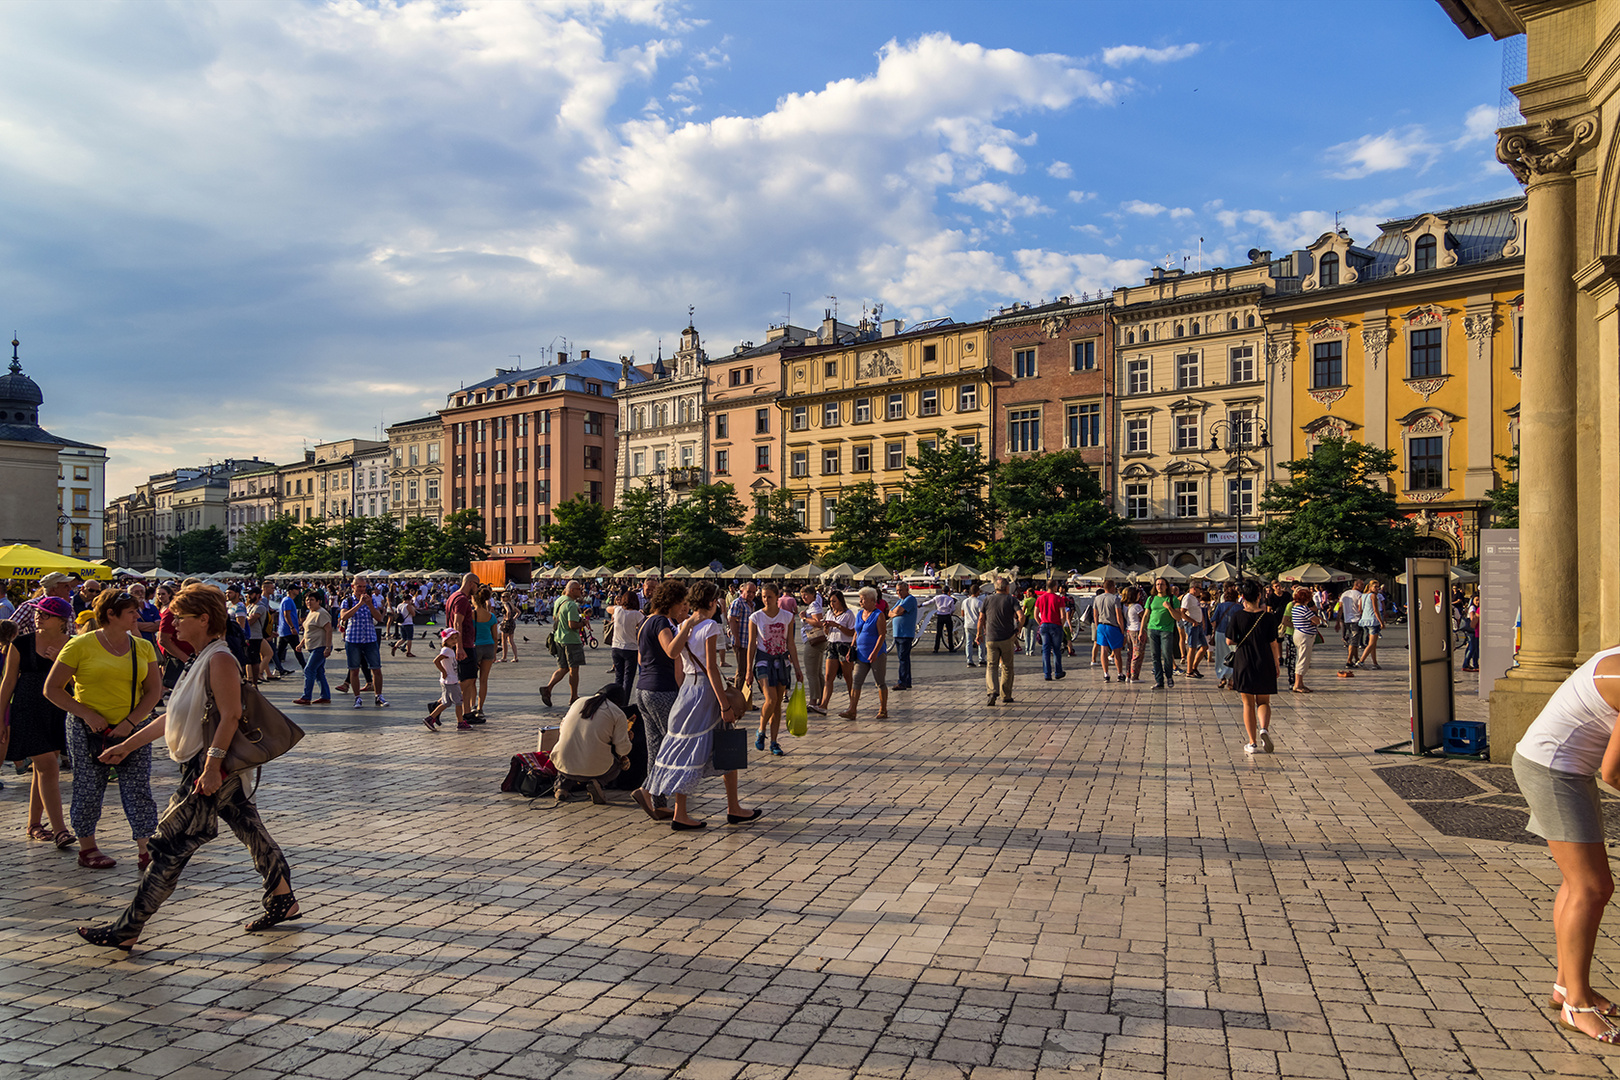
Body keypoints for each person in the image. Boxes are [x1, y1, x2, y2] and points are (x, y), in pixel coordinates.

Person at [75, 582, 300, 950]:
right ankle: (282, 897)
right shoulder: (199, 658)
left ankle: (128, 928)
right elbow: (174, 717)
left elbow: (230, 716)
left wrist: (211, 768)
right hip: (210, 764)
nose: (172, 623)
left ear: (204, 619)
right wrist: (127, 746)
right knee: (248, 826)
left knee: (169, 844)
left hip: (212, 765)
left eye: (180, 617)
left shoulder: (220, 659)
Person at [1510, 646, 1620, 1042]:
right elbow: (1614, 771)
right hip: (1555, 771)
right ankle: (1577, 1005)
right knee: (1593, 888)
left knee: (1580, 884)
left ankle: (1566, 986)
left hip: (1563, 767)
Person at [43, 589, 163, 871]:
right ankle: (88, 847)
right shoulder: (79, 645)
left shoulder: (142, 646)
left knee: (138, 789)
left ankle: (146, 848)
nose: (137, 616)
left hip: (132, 729)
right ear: (111, 614)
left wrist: (131, 722)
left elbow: (154, 691)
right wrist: (86, 714)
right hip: (88, 731)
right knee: (88, 788)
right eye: (132, 611)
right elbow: (52, 689)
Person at [633, 581, 760, 831]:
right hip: (705, 691)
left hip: (688, 690)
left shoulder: (682, 626)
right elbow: (712, 668)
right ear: (713, 603)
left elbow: (678, 665)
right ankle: (729, 808)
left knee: (686, 747)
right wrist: (724, 704)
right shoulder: (711, 626)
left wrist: (684, 696)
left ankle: (690, 809)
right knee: (724, 746)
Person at [1, 597, 74, 848]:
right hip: (27, 709)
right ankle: (60, 829)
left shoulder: (72, 645)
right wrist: (1, 718)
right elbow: (8, 682)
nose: (38, 617)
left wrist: (59, 663)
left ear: (62, 621)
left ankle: (33, 824)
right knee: (49, 767)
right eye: (38, 613)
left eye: (45, 614)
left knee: (43, 771)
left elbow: (80, 682)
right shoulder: (21, 643)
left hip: (58, 710)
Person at [634, 580, 689, 820]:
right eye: (682, 603)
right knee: (674, 744)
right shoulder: (661, 622)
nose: (683, 608)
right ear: (672, 603)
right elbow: (672, 651)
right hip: (662, 690)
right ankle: (647, 790)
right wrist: (687, 627)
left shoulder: (646, 622)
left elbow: (640, 658)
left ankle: (658, 801)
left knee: (656, 745)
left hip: (644, 688)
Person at [553, 684, 634, 804]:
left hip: (562, 763)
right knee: (619, 764)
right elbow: (623, 750)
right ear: (619, 701)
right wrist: (628, 738)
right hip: (596, 770)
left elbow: (562, 727)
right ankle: (596, 783)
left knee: (569, 750)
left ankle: (561, 787)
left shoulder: (579, 702)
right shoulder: (617, 713)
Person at [1226, 580, 1281, 754]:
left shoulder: (1237, 616)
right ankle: (1264, 728)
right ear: (1259, 597)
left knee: (1248, 703)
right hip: (1264, 660)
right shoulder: (1269, 617)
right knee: (1263, 701)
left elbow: (1229, 640)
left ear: (1243, 598)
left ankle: (1252, 742)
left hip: (1244, 661)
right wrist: (1277, 662)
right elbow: (1273, 643)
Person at [745, 583, 802, 754]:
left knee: (777, 704)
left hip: (781, 660)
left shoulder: (787, 617)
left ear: (777, 597)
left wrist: (798, 668)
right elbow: (751, 645)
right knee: (771, 698)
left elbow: (790, 643)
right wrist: (748, 669)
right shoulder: (755, 617)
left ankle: (775, 741)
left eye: (769, 596)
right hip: (764, 660)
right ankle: (761, 730)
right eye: (763, 596)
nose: (766, 600)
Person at [338, 580, 387, 709]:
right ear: (353, 587)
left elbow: (379, 618)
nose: (361, 589)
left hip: (370, 639)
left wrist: (370, 604)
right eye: (359, 586)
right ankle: (357, 697)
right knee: (354, 670)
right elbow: (344, 616)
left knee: (376, 668)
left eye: (364, 587)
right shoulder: (347, 601)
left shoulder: (371, 601)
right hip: (353, 640)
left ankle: (379, 696)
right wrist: (359, 604)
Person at [843, 586, 889, 721]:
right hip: (861, 654)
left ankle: (883, 709)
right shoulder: (859, 614)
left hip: (877, 654)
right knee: (856, 680)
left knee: (880, 682)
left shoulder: (878, 615)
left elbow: (882, 635)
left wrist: (875, 652)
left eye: (862, 599)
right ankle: (852, 709)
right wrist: (851, 648)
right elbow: (857, 632)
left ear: (871, 600)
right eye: (860, 599)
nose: (860, 602)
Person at [542, 580, 587, 709]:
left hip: (558, 638)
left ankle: (548, 689)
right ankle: (574, 697)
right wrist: (583, 623)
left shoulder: (559, 600)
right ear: (572, 590)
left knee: (563, 668)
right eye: (578, 589)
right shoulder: (571, 605)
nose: (581, 592)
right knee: (574, 669)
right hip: (571, 640)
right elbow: (572, 625)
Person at [978, 576, 1023, 706]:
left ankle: (992, 692)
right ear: (1007, 588)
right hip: (1007, 638)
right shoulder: (1011, 600)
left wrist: (979, 633)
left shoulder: (987, 599)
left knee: (991, 666)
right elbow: (1021, 616)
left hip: (991, 638)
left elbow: (981, 619)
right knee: (1007, 667)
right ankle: (1006, 695)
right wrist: (1018, 628)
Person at [816, 590, 856, 714]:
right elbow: (827, 633)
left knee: (848, 677)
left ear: (840, 601)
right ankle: (823, 705)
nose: (832, 604)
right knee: (828, 676)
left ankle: (852, 705)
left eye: (834, 601)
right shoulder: (829, 613)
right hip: (832, 644)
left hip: (844, 645)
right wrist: (827, 628)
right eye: (830, 601)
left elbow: (852, 632)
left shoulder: (848, 614)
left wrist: (837, 625)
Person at [291, 589, 333, 706]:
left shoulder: (321, 613)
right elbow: (309, 631)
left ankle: (306, 697)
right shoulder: (311, 613)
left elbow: (328, 630)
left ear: (318, 601)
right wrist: (301, 643)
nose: (309, 602)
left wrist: (328, 647)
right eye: (307, 600)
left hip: (320, 646)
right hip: (313, 646)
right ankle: (325, 696)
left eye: (312, 600)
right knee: (319, 672)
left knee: (309, 670)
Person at [446, 572, 479, 717]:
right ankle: (442, 703)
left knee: (468, 678)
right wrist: (459, 646)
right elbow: (457, 622)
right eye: (477, 585)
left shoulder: (453, 596)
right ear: (471, 583)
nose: (477, 589)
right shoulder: (462, 599)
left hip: (460, 643)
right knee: (467, 679)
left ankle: (467, 712)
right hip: (463, 644)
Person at [1144, 578, 1187, 690]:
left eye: (1162, 584)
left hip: (1166, 630)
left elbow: (1178, 617)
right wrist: (1141, 630)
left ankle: (1169, 676)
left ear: (1166, 586)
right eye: (1157, 584)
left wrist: (1169, 607)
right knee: (1155, 656)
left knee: (1167, 655)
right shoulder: (1151, 598)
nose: (1159, 586)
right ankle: (1159, 681)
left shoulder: (1172, 599)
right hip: (1152, 629)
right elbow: (1146, 615)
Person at [424, 628, 467, 730]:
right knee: (458, 702)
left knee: (446, 702)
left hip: (450, 680)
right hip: (450, 680)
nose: (454, 640)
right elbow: (436, 661)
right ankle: (460, 722)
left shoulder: (449, 650)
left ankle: (430, 718)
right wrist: (443, 671)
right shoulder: (447, 650)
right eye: (451, 638)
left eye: (456, 638)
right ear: (445, 640)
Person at [799, 586, 829, 709]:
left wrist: (805, 618)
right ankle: (821, 698)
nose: (803, 597)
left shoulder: (814, 606)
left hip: (813, 641)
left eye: (805, 595)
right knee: (817, 672)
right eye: (802, 595)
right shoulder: (814, 605)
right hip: (815, 641)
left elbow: (818, 622)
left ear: (812, 594)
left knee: (811, 672)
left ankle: (813, 700)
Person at [609, 590, 644, 696]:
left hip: (616, 647)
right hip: (631, 648)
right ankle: (624, 701)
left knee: (618, 676)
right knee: (628, 679)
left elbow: (608, 608)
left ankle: (617, 701)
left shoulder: (617, 610)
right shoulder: (637, 615)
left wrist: (618, 604)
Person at [472, 585, 499, 718]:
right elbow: (495, 636)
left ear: (475, 600)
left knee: (472, 679)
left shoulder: (472, 615)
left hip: (475, 647)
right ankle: (480, 707)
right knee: (484, 680)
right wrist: (494, 652)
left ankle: (472, 705)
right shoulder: (491, 616)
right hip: (489, 647)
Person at [1091, 580, 1125, 683]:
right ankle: (1119, 673)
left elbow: (1095, 615)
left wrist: (1097, 626)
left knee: (1103, 650)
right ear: (1112, 587)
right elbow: (1119, 616)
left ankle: (1106, 673)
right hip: (1112, 626)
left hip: (1101, 625)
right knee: (1116, 651)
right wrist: (1122, 630)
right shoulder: (1115, 599)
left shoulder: (1097, 598)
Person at [1290, 587, 1321, 694]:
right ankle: (1297, 684)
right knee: (1303, 659)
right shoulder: (1303, 609)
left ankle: (1300, 683)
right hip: (1305, 636)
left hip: (1299, 634)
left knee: (1302, 658)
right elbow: (1316, 621)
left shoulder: (1295, 608)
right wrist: (1315, 621)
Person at [1210, 585, 1242, 690]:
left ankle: (1222, 677)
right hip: (1234, 635)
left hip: (1220, 633)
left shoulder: (1220, 606)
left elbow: (1213, 620)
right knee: (1233, 656)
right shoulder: (1239, 607)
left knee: (1221, 656)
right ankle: (1231, 680)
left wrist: (1214, 631)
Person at [1036, 580, 1068, 681]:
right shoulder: (1059, 599)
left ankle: (1047, 674)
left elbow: (1036, 614)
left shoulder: (1040, 598)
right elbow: (1063, 615)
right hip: (1056, 625)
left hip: (1044, 625)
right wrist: (1061, 625)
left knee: (1045, 650)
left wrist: (1041, 623)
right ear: (1055, 587)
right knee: (1056, 650)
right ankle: (1058, 672)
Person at [889, 582, 917, 691]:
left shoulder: (910, 599)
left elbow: (898, 610)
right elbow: (890, 613)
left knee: (903, 658)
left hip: (906, 634)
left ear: (907, 590)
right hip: (898, 633)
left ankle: (902, 682)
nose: (898, 592)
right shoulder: (900, 601)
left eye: (900, 590)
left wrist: (896, 612)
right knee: (903, 658)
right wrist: (896, 613)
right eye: (897, 590)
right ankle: (907, 681)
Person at [275, 584, 306, 673]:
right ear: (291, 590)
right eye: (296, 589)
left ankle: (278, 669)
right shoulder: (288, 600)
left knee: (280, 651)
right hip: (288, 630)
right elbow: (286, 614)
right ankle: (306, 668)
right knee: (297, 649)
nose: (298, 591)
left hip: (285, 630)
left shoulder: (288, 600)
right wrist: (292, 627)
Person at [1337, 579, 1366, 668]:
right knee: (1353, 641)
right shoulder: (1360, 595)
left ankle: (1356, 658)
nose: (1363, 588)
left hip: (1347, 620)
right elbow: (1361, 608)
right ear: (1357, 585)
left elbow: (1340, 608)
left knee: (1354, 639)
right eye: (1362, 585)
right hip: (1356, 619)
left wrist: (1338, 621)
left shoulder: (1344, 594)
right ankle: (1349, 661)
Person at [1360, 581, 1388, 670]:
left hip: (1365, 620)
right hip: (1373, 621)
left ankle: (1375, 663)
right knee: (1371, 643)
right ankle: (1361, 661)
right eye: (1375, 587)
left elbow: (1360, 608)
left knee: (1373, 643)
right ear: (1370, 587)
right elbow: (1376, 610)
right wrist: (1381, 622)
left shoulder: (1363, 596)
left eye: (1378, 587)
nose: (1377, 589)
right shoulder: (1373, 596)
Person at [1182, 584, 1208, 679]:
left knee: (1204, 646)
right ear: (1194, 588)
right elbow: (1182, 612)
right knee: (1192, 648)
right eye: (1199, 589)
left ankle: (1194, 667)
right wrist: (1192, 621)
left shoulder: (1195, 598)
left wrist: (1202, 622)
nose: (1201, 591)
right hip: (1192, 625)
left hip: (1198, 624)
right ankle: (1189, 671)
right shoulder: (1188, 597)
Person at [728, 582, 758, 657]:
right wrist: (736, 638)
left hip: (748, 640)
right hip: (740, 639)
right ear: (742, 591)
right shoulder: (738, 603)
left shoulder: (752, 604)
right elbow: (732, 620)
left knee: (746, 666)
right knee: (742, 666)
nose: (751, 594)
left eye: (753, 592)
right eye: (749, 592)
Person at [1123, 586, 1147, 683]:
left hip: (1129, 630)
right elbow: (1144, 617)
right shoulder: (1137, 607)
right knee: (1138, 654)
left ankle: (1128, 674)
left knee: (1130, 653)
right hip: (1137, 630)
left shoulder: (1125, 606)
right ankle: (1134, 676)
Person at [961, 583, 986, 668]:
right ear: (978, 592)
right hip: (977, 625)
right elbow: (982, 616)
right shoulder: (979, 602)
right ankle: (981, 659)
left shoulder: (965, 601)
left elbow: (962, 613)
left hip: (967, 624)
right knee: (981, 642)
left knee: (968, 643)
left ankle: (969, 660)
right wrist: (984, 627)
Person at [391, 592, 418, 659]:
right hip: (408, 623)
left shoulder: (399, 605)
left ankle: (395, 646)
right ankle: (408, 652)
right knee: (409, 639)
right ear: (409, 599)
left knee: (403, 638)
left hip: (401, 623)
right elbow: (413, 614)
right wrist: (412, 606)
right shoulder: (407, 606)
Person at [931, 585, 957, 653]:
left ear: (942, 591)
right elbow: (953, 609)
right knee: (949, 632)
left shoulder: (937, 597)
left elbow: (930, 602)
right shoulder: (950, 599)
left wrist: (921, 605)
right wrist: (950, 612)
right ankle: (951, 648)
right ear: (948, 591)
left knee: (938, 633)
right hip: (947, 616)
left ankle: (936, 648)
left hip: (940, 616)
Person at [497, 591, 518, 663]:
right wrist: (513, 618)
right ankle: (515, 657)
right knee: (511, 640)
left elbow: (508, 611)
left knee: (504, 640)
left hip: (507, 623)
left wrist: (507, 619)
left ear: (507, 597)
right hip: (512, 623)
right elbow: (518, 612)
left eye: (503, 597)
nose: (501, 598)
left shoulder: (506, 604)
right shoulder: (511, 604)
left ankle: (504, 657)